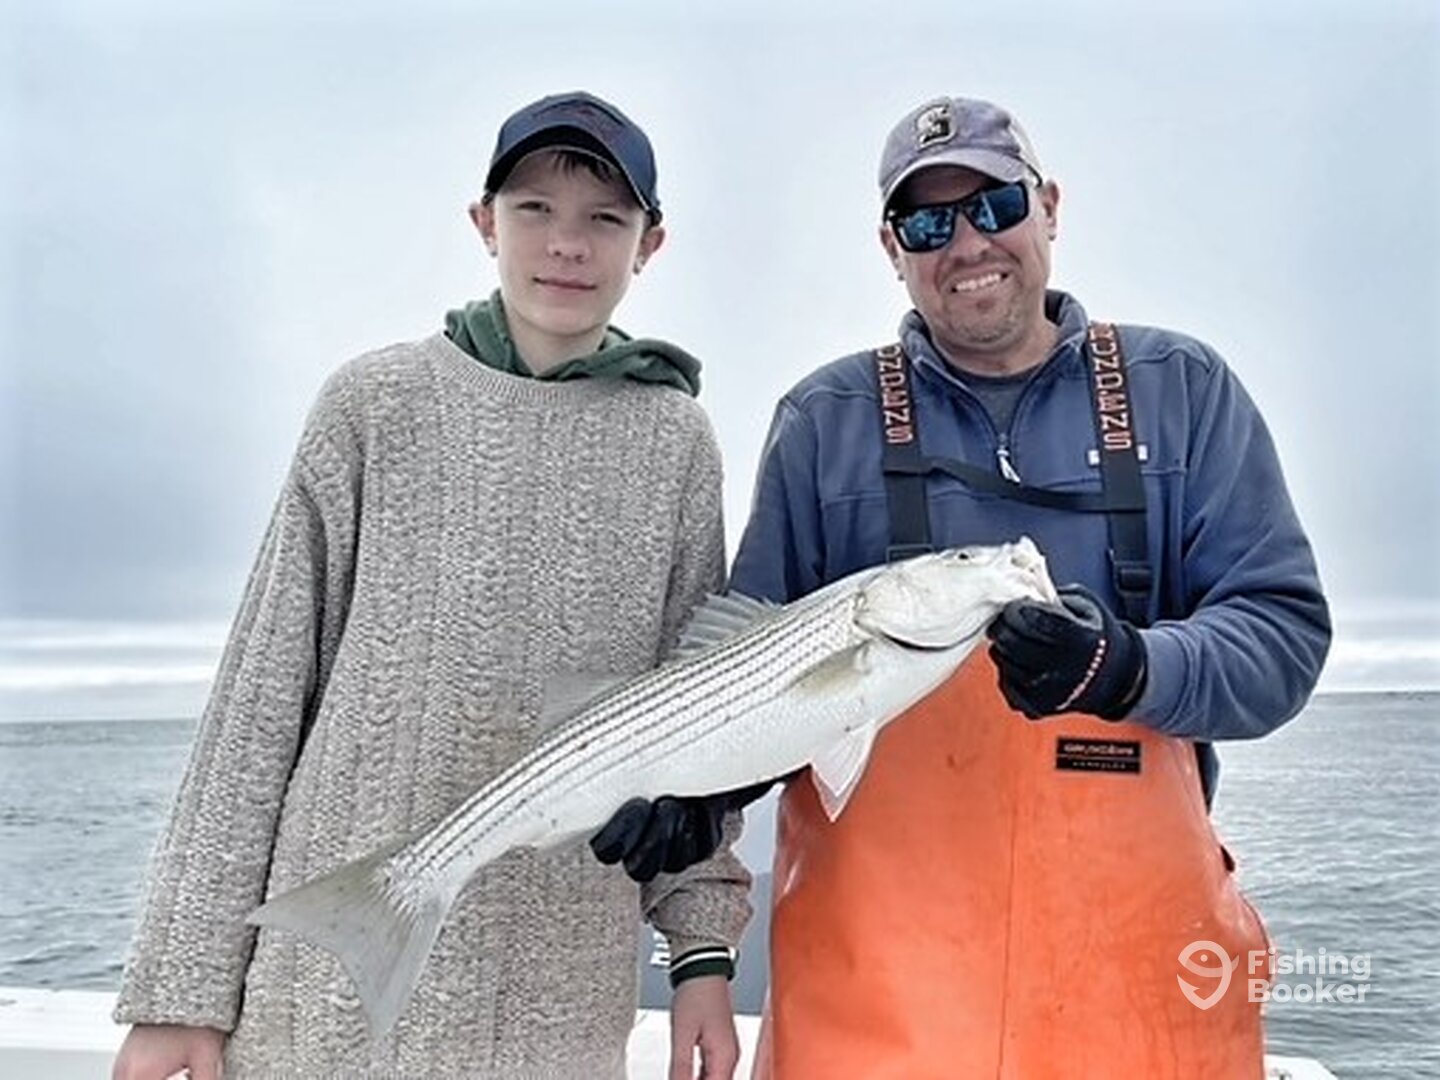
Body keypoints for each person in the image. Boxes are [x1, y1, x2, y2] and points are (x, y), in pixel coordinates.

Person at [110, 90, 750, 1080]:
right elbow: (258, 702)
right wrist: (179, 992)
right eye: (534, 210)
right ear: (484, 222)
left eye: (604, 218)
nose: (566, 244)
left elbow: (694, 722)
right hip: (321, 1003)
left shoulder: (677, 443)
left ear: (649, 244)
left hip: (558, 1011)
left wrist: (702, 954)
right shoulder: (373, 404)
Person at [714, 96, 1329, 1077]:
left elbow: (1282, 635)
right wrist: (686, 794)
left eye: (995, 205)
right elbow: (749, 677)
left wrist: (1130, 668)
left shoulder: (1183, 390)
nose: (967, 244)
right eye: (927, 223)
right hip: (875, 1012)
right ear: (892, 249)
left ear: (1049, 207)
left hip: (1135, 1008)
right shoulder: (824, 421)